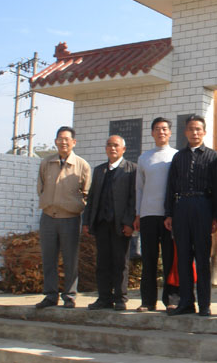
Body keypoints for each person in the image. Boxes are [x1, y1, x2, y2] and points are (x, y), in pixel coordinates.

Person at [164, 115, 217, 317]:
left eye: (198, 129)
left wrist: (216, 216)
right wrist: (169, 213)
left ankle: (204, 304)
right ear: (185, 132)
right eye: (191, 129)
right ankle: (186, 302)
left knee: (202, 258)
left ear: (204, 132)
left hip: (203, 206)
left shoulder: (213, 157)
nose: (194, 133)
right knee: (183, 257)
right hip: (181, 207)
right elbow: (170, 186)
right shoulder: (178, 157)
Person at [36, 126, 91, 309]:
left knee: (70, 259)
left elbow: (86, 192)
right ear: (55, 141)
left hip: (70, 218)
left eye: (67, 139)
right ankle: (50, 295)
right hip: (48, 217)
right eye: (60, 139)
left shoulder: (82, 165)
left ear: (74, 142)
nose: (63, 142)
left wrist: (75, 206)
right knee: (49, 258)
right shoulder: (46, 162)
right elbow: (40, 187)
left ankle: (70, 295)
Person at [82, 135, 136, 311]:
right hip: (102, 223)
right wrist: (87, 221)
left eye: (116, 145)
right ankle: (104, 298)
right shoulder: (99, 170)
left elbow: (133, 198)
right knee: (102, 262)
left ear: (123, 149)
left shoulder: (131, 169)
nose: (112, 148)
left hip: (120, 224)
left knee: (120, 262)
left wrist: (129, 222)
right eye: (109, 145)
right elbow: (91, 198)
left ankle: (120, 298)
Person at [134, 117, 180, 312]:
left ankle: (171, 299)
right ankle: (147, 301)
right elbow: (139, 188)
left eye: (164, 129)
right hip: (148, 215)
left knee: (170, 259)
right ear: (152, 133)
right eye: (157, 129)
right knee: (149, 259)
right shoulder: (144, 158)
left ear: (170, 132)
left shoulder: (176, 156)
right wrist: (138, 214)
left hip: (169, 216)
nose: (161, 132)